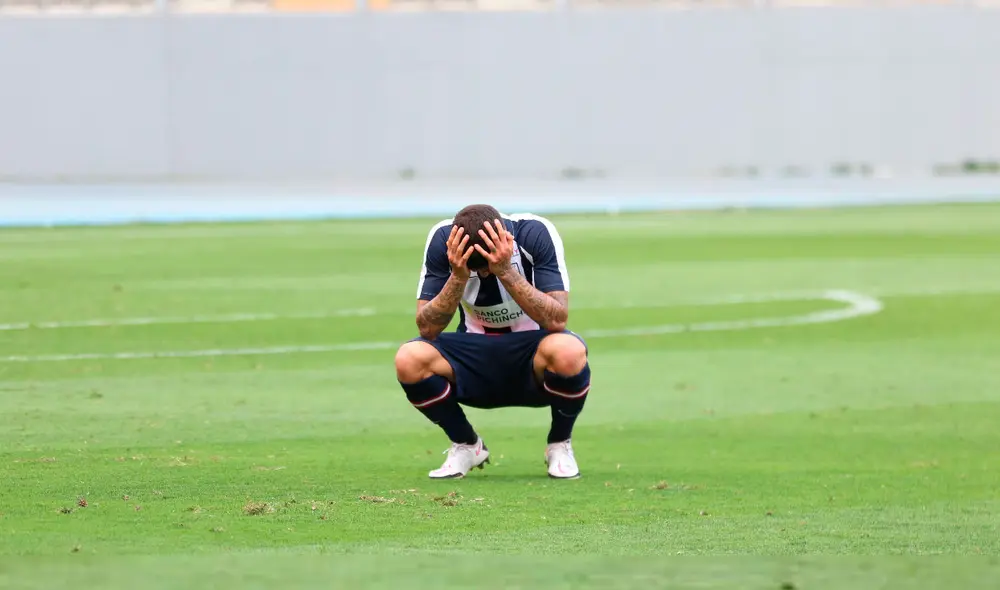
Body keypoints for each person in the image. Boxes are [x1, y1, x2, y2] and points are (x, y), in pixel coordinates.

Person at [394, 204, 591, 479]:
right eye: (477, 267)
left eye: (485, 265)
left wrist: (506, 271)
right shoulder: (442, 239)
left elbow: (557, 321)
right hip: (474, 353)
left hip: (533, 352)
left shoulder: (535, 233)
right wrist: (458, 275)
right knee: (409, 357)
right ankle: (466, 445)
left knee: (569, 350)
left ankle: (559, 444)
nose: (484, 274)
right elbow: (427, 327)